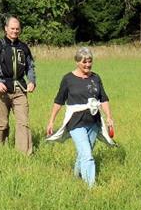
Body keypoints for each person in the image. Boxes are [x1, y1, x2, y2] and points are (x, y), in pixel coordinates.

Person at [44, 47, 116, 188]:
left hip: (93, 121)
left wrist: (109, 117)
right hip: (75, 122)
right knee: (88, 155)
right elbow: (59, 100)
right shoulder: (68, 79)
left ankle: (76, 176)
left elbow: (103, 99)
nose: (88, 65)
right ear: (77, 62)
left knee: (84, 152)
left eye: (90, 62)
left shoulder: (96, 78)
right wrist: (51, 121)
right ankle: (91, 186)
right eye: (84, 62)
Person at [0, 16, 36, 156]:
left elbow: (31, 67)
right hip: (1, 89)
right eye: (12, 28)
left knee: (23, 122)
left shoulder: (24, 47)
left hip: (20, 88)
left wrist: (31, 81)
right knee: (2, 124)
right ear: (6, 28)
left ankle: (23, 155)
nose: (15, 31)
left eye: (17, 29)